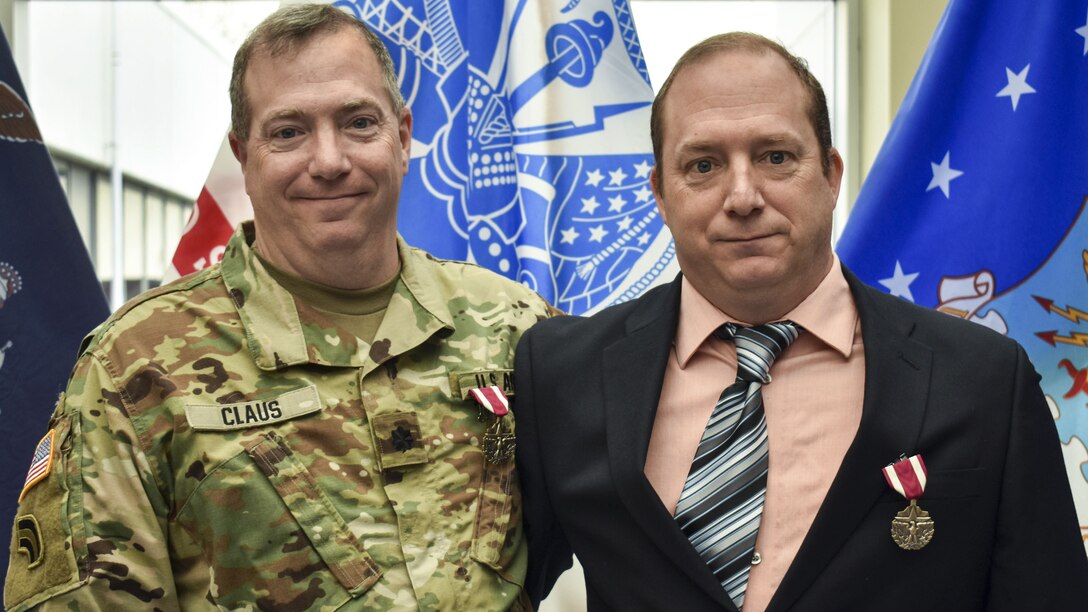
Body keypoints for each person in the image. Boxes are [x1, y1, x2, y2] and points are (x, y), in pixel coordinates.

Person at [514, 32, 1088, 612]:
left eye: (776, 157)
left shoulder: (983, 380)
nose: (742, 196)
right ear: (660, 193)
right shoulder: (562, 372)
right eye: (703, 165)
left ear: (832, 175)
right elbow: (492, 588)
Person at [5, 4, 551, 610]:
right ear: (243, 154)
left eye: (358, 122)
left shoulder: (516, 326)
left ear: (403, 136)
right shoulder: (133, 368)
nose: (329, 161)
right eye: (288, 131)